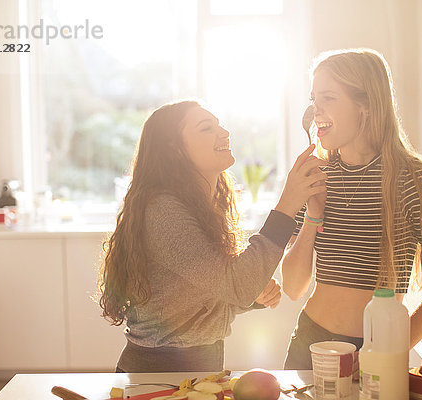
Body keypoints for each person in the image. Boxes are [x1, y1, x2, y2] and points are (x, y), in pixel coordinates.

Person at [98, 100, 327, 372]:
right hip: (157, 375)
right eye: (206, 128)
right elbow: (235, 284)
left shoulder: (200, 206)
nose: (224, 132)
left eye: (219, 124)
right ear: (174, 149)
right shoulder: (164, 211)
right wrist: (287, 205)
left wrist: (251, 297)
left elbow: (209, 293)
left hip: (194, 368)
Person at [282, 49, 422, 369]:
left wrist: (389, 350)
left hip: (380, 349)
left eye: (328, 98)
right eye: (314, 99)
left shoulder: (415, 180)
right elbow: (292, 287)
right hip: (310, 345)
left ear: (366, 106)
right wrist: (313, 215)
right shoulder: (316, 176)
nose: (316, 111)